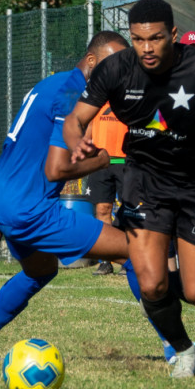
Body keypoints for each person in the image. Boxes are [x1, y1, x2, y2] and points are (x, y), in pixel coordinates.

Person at [0, 31, 195, 372]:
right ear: (92, 60)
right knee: (134, 253)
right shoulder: (71, 93)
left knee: (39, 271)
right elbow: (56, 169)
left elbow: (21, 151)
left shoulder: (51, 84)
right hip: (32, 209)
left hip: (6, 200)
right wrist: (104, 159)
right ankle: (177, 347)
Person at [65, 0, 195, 378]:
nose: (146, 48)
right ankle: (184, 350)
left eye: (156, 38)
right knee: (151, 282)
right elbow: (75, 119)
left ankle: (167, 301)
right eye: (138, 39)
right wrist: (76, 139)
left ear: (173, 35)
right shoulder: (116, 69)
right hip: (144, 180)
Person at [85, 102, 127, 276]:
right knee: (102, 209)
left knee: (130, 209)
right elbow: (89, 127)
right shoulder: (97, 100)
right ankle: (105, 261)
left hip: (126, 161)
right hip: (101, 162)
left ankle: (129, 259)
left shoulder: (130, 96)